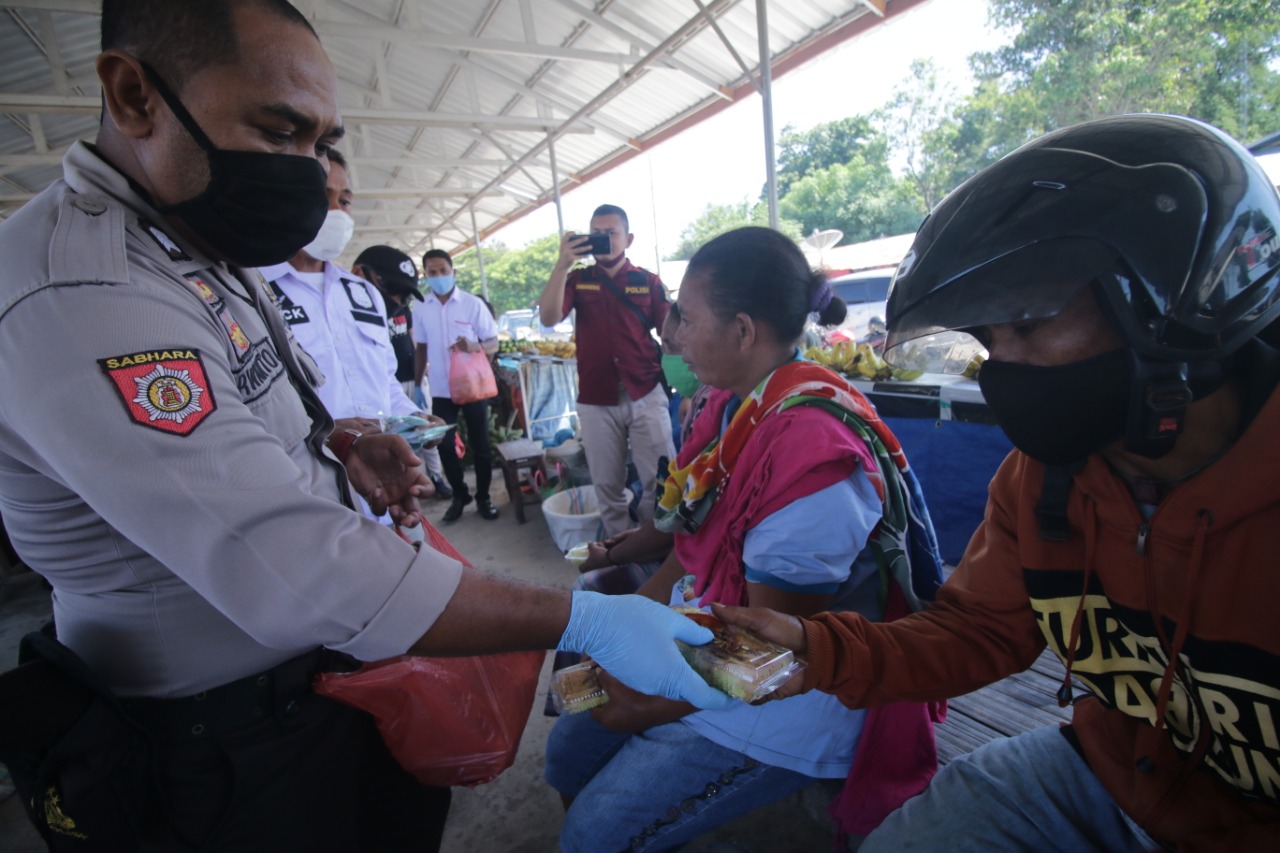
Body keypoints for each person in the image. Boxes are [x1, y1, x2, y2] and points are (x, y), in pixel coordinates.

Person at [0, 2, 734, 849]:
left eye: (321, 142)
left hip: (315, 684)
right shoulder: (81, 292)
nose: (308, 174)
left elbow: (255, 402)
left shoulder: (193, 245)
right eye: (280, 132)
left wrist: (336, 442)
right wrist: (587, 619)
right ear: (134, 95)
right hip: (212, 742)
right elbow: (289, 562)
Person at [717, 114, 1280, 852]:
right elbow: (980, 629)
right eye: (988, 340)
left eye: (1029, 323)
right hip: (1116, 768)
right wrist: (814, 646)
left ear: (1174, 305)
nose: (1003, 366)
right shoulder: (1042, 479)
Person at [544, 227, 945, 852]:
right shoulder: (728, 407)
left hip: (785, 688)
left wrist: (646, 701)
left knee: (590, 834)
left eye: (685, 317)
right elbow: (690, 543)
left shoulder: (811, 452)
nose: (670, 335)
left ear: (743, 331)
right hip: (713, 633)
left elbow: (766, 646)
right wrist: (624, 625)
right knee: (568, 728)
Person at [260, 151, 452, 518]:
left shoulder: (361, 293)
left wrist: (415, 418)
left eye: (344, 200)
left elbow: (384, 381)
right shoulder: (253, 287)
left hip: (382, 479)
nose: (336, 211)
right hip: (306, 484)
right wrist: (329, 436)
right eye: (321, 195)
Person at [538, 204, 675, 537]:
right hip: (597, 400)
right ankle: (620, 550)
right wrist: (562, 262)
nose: (603, 240)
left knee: (661, 480)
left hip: (645, 392)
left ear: (627, 238)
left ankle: (653, 541)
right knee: (607, 486)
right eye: (595, 234)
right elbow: (548, 318)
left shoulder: (648, 281)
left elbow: (672, 333)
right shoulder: (577, 279)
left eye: (611, 233)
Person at [353, 244, 450, 499]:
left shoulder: (384, 318)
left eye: (404, 296)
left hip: (403, 386)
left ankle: (435, 476)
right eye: (392, 290)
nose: (397, 302)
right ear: (358, 275)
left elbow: (385, 379)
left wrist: (414, 415)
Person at [411, 248, 501, 522]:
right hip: (440, 389)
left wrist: (474, 346)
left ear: (454, 272)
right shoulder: (422, 307)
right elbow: (422, 348)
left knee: (480, 445)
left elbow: (493, 343)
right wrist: (417, 385)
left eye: (443, 271)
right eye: (432, 272)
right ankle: (460, 496)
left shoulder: (472, 304)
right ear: (425, 275)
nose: (438, 277)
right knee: (445, 444)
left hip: (472, 387)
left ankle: (484, 498)